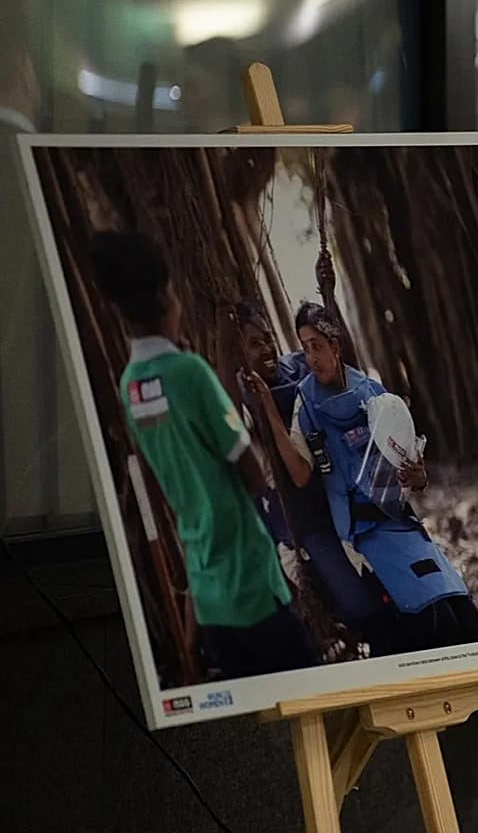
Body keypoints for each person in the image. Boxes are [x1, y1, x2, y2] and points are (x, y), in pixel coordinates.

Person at [88, 230, 316, 678]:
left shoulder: (131, 386)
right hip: (253, 586)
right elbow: (251, 474)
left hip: (210, 602)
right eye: (173, 292)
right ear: (161, 297)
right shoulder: (189, 372)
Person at [255, 301, 478, 652]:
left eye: (317, 345)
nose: (311, 356)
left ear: (335, 346)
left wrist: (419, 476)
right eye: (304, 347)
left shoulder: (374, 395)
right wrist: (270, 414)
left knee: (463, 614)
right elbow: (301, 474)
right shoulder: (306, 403)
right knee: (429, 622)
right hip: (361, 536)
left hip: (402, 523)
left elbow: (414, 476)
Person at [225, 295, 397, 657]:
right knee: (350, 601)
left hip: (338, 497)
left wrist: (328, 293)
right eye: (253, 345)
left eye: (268, 337)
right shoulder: (235, 401)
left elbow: (336, 370)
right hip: (297, 521)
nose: (267, 349)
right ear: (237, 356)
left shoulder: (300, 371)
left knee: (380, 586)